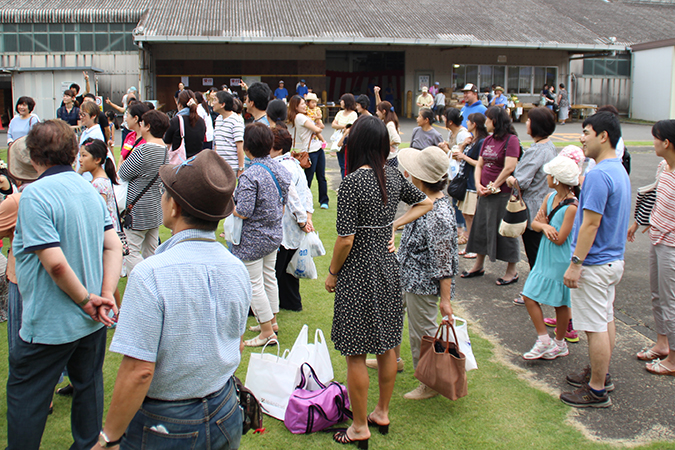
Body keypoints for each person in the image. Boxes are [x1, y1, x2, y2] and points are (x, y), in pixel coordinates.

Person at [96, 150, 250, 450]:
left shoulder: (150, 273)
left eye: (165, 193)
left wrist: (108, 438)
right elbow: (237, 339)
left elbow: (139, 370)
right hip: (225, 408)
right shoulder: (237, 268)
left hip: (167, 420)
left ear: (175, 206)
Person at [7, 119, 122, 450]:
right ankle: (87, 445)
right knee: (88, 386)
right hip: (90, 320)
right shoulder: (88, 188)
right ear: (73, 152)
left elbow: (55, 262)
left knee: (27, 396)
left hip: (50, 322)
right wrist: (102, 296)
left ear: (33, 156)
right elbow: (112, 245)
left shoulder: (34, 195)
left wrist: (88, 299)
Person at [325, 115, 432, 447]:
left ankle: (359, 426)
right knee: (387, 344)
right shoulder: (393, 175)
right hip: (387, 268)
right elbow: (426, 201)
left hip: (357, 271)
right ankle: (381, 412)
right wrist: (393, 225)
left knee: (355, 352)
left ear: (356, 143)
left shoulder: (353, 182)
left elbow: (345, 240)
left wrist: (331, 273)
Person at [560, 111, 631, 408]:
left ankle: (597, 389)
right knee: (606, 319)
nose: (582, 137)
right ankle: (601, 373)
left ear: (603, 136)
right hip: (612, 261)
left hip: (596, 263)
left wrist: (576, 263)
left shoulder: (600, 175)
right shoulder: (617, 169)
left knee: (595, 326)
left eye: (587, 131)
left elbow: (590, 224)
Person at [397, 146, 458, 399]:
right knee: (394, 317)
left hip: (421, 285)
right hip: (407, 276)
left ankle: (429, 383)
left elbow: (444, 264)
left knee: (422, 333)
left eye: (412, 173)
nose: (407, 175)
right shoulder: (426, 202)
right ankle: (393, 359)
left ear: (422, 178)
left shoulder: (438, 214)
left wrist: (445, 301)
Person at [232, 123, 291, 347]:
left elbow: (243, 211)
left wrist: (229, 206)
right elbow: (283, 202)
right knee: (268, 277)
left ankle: (267, 331)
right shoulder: (280, 169)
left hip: (253, 239)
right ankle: (270, 321)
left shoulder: (250, 175)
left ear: (247, 147)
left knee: (254, 283)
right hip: (274, 234)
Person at [520, 155, 579, 360]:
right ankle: (545, 340)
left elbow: (560, 238)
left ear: (557, 179)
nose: (546, 177)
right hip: (545, 257)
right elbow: (536, 224)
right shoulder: (549, 197)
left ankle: (559, 343)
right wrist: (545, 226)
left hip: (559, 259)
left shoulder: (572, 206)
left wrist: (544, 225)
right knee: (529, 295)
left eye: (549, 175)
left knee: (560, 303)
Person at [629, 120, 675, 375]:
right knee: (657, 296)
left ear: (666, 142)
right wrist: (640, 222)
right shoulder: (663, 167)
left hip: (671, 244)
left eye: (655, 138)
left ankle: (673, 361)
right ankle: (662, 344)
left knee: (671, 301)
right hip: (656, 238)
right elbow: (655, 197)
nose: (653, 142)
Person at [462, 106, 521, 285]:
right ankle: (478, 265)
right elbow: (479, 165)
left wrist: (494, 186)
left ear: (495, 120)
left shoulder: (511, 140)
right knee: (480, 229)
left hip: (501, 194)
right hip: (485, 193)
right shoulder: (488, 140)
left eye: (488, 119)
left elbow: (509, 167)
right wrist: (479, 184)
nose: (485, 122)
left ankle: (512, 270)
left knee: (506, 231)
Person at [506, 107, 558, 287]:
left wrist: (510, 178)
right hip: (547, 204)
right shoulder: (550, 147)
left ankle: (535, 290)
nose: (526, 123)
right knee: (541, 252)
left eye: (529, 120)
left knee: (534, 253)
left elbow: (521, 182)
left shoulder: (536, 151)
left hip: (532, 207)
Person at [119, 109, 170, 274]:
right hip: (155, 208)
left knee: (131, 251)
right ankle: (157, 279)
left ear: (147, 126)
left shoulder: (143, 150)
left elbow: (123, 173)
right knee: (152, 250)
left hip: (137, 209)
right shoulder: (164, 151)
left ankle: (146, 278)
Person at [271, 125, 314, 312]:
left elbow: (292, 196)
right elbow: (306, 194)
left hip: (287, 226)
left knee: (275, 271)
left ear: (278, 148)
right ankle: (291, 303)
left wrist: (303, 219)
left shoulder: (282, 166)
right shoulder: (293, 164)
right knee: (288, 271)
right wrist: (306, 217)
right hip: (294, 226)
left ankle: (272, 306)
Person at [453, 113, 489, 257]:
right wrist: (463, 146)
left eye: (469, 121)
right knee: (467, 214)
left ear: (474, 124)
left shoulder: (481, 142)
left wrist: (464, 157)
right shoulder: (472, 140)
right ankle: (470, 245)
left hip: (474, 183)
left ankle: (475, 247)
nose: (466, 122)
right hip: (466, 181)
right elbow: (460, 156)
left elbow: (481, 163)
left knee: (472, 216)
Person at [288, 95, 327, 208]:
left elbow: (319, 127)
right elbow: (317, 129)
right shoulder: (300, 117)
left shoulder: (304, 116)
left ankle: (323, 201)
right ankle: (305, 200)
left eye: (305, 103)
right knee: (309, 177)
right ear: (296, 107)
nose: (305, 106)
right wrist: (317, 127)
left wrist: (318, 126)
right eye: (302, 104)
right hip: (310, 151)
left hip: (317, 148)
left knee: (321, 176)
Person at [163, 89, 206, 159]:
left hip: (180, 164)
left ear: (179, 105)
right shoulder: (201, 121)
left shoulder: (175, 121)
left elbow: (167, 144)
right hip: (197, 162)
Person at [213, 90, 245, 176]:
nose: (212, 103)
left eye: (215, 100)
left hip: (232, 166)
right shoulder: (218, 119)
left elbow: (240, 146)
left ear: (222, 104)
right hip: (219, 165)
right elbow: (217, 143)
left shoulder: (235, 120)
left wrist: (241, 167)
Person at [331, 93, 358, 182]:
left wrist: (340, 126)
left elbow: (350, 128)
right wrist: (343, 126)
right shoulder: (340, 113)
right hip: (338, 139)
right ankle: (344, 182)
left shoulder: (353, 114)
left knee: (347, 164)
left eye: (342, 101)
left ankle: (347, 183)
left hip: (347, 140)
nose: (341, 102)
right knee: (342, 165)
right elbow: (333, 125)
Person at [376, 101, 401, 167]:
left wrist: (386, 145)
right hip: (389, 157)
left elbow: (397, 140)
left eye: (378, 111)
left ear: (384, 111)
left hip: (390, 158)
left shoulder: (390, 124)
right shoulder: (387, 121)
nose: (376, 113)